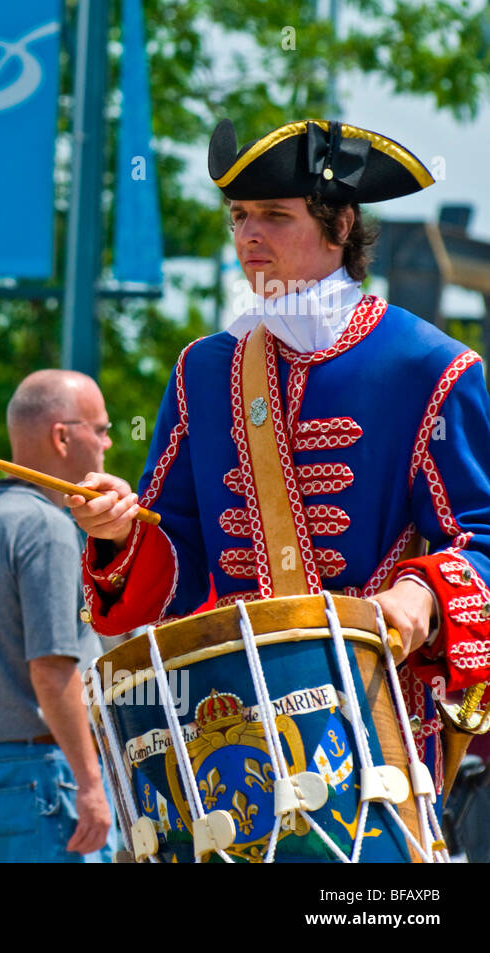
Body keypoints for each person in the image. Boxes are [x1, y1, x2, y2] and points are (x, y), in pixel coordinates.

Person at [70, 119, 490, 788]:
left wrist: (422, 592)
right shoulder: (203, 370)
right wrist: (120, 533)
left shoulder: (431, 366)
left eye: (274, 214)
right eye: (238, 216)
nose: (248, 236)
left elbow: (482, 538)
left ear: (341, 224)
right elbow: (175, 559)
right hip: (230, 719)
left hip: (375, 715)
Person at [0, 370, 114, 863]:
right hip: (41, 779)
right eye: (99, 429)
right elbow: (54, 670)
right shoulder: (47, 527)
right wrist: (91, 785)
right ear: (62, 435)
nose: (107, 442)